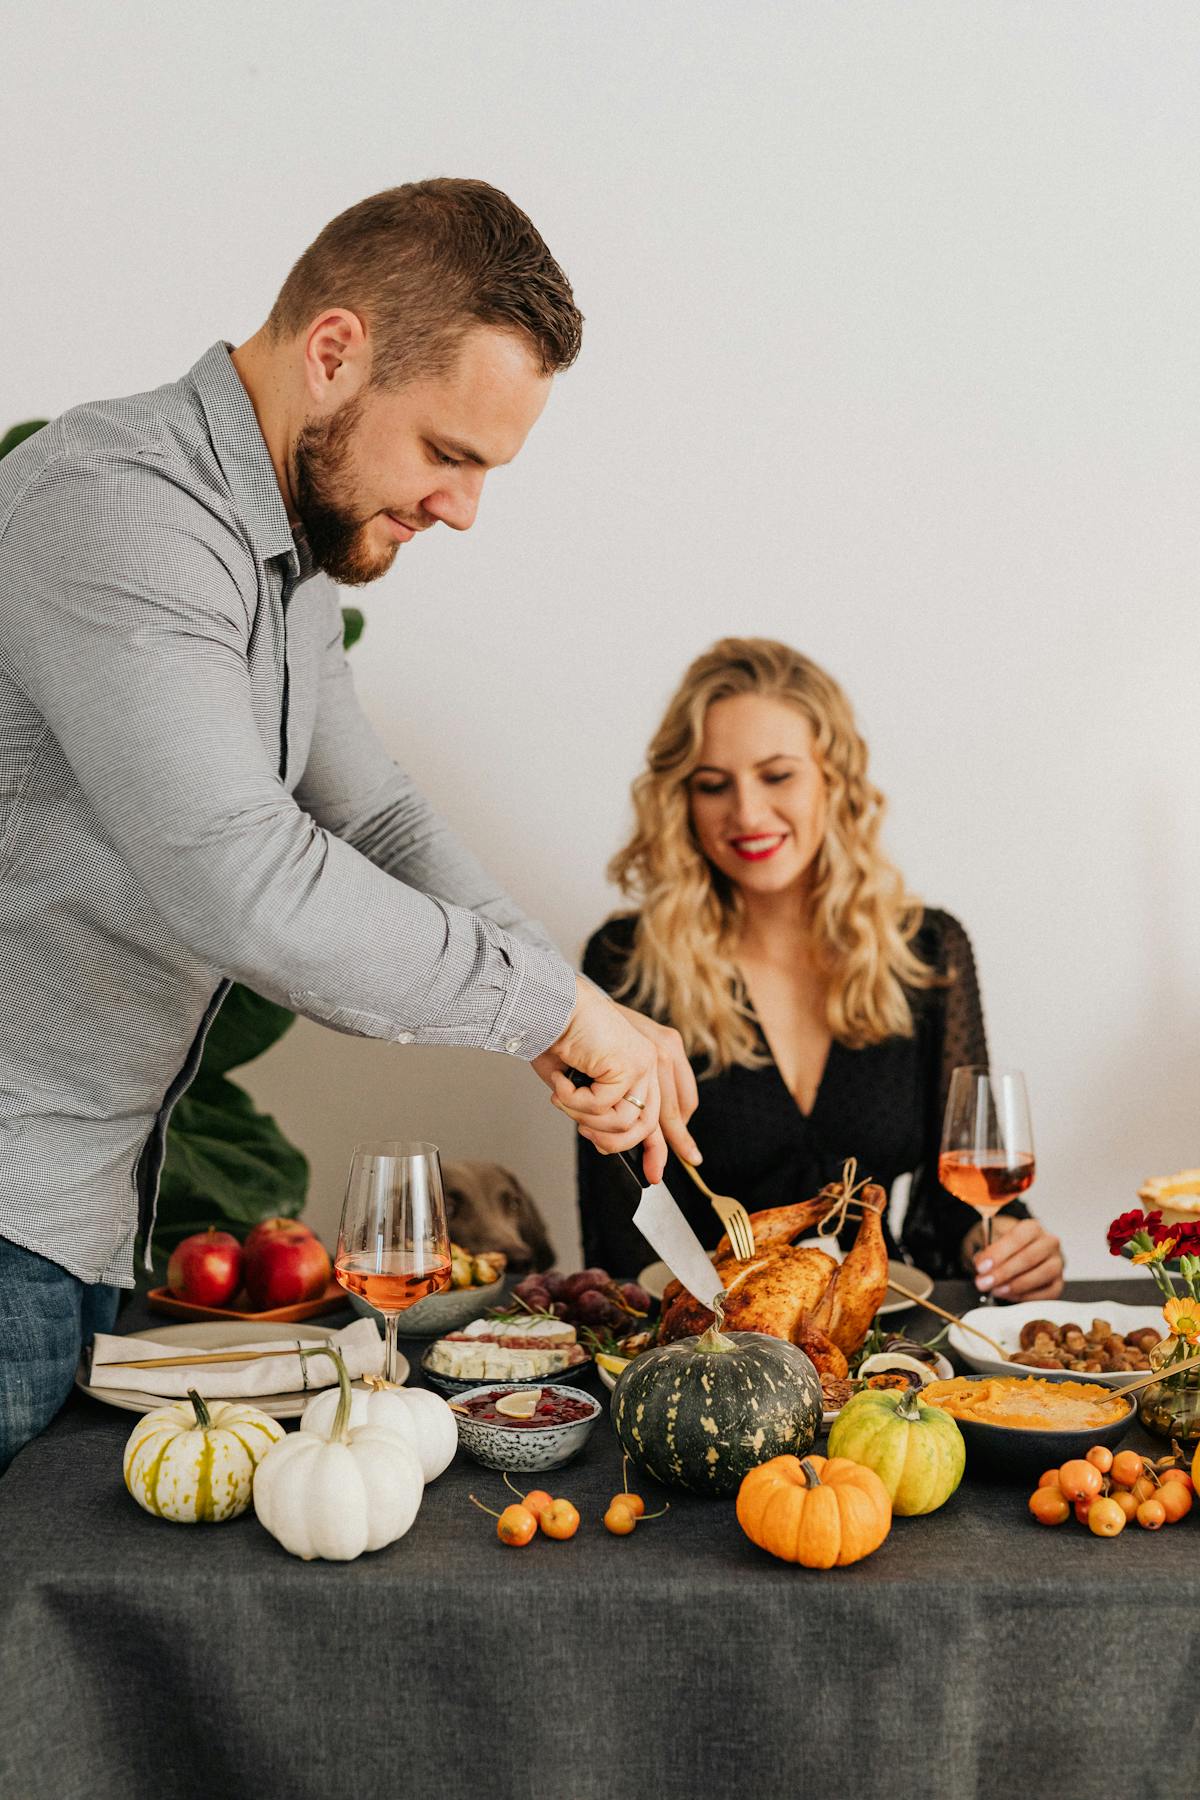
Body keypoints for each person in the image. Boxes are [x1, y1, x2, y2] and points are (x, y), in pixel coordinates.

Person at [0, 179, 698, 1473]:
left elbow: (371, 814)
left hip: (74, 1224)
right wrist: (551, 1009)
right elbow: (241, 881)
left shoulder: (284, 558)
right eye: (449, 453)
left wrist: (551, 998)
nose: (465, 508)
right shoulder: (117, 508)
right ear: (335, 352)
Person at [578, 637, 1065, 1300]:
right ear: (681, 802)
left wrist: (1004, 1245)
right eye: (713, 785)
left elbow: (959, 1200)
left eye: (777, 776)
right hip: (703, 1341)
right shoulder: (624, 965)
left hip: (891, 1330)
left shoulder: (928, 951)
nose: (747, 812)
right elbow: (621, 1232)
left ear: (833, 779)